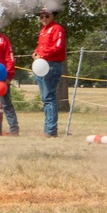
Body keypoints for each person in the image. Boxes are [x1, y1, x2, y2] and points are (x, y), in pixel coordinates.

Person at [33, 7, 66, 137]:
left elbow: (58, 47)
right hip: (41, 65)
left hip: (51, 65)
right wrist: (36, 53)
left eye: (47, 16)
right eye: (41, 17)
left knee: (49, 98)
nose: (44, 19)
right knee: (45, 98)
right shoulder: (43, 31)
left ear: (52, 16)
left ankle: (51, 130)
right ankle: (48, 128)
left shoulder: (57, 29)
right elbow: (41, 46)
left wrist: (41, 54)